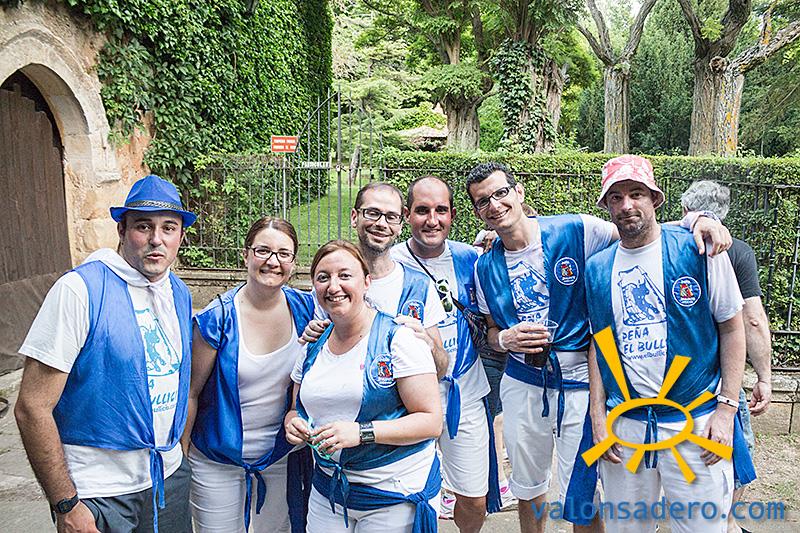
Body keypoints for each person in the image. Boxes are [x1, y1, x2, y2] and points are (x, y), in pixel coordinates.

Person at [467, 161, 729, 533]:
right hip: (524, 381)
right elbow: (491, 330)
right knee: (528, 486)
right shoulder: (484, 266)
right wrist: (504, 339)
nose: (494, 205)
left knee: (583, 491)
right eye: (483, 201)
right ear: (477, 211)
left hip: (578, 381)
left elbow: (638, 229)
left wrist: (696, 220)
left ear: (519, 192)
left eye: (501, 193)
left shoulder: (577, 229)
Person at [14, 175, 196, 533]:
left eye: (168, 228)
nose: (156, 239)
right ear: (121, 230)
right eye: (143, 226)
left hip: (168, 479)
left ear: (180, 236)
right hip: (99, 490)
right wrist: (66, 502)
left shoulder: (177, 291)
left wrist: (181, 458)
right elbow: (31, 406)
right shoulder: (79, 290)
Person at [584, 155, 755, 533]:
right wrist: (597, 416)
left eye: (636, 193)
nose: (626, 205)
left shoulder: (698, 250)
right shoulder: (597, 268)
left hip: (696, 423)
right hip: (625, 427)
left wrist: (726, 410)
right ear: (606, 205)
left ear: (655, 199)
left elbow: (732, 328)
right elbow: (599, 343)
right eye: (616, 197)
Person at [285, 240, 443, 532]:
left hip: (392, 492)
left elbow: (431, 422)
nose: (333, 286)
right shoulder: (312, 345)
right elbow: (296, 408)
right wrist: (293, 424)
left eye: (345, 275)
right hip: (329, 492)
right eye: (323, 277)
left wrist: (361, 432)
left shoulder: (398, 339)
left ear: (367, 282)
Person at [182, 217, 315, 533]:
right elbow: (191, 393)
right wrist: (181, 461)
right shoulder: (217, 319)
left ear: (293, 263)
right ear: (246, 255)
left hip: (281, 456)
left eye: (283, 253)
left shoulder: (307, 310)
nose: (273, 261)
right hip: (217, 460)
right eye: (263, 250)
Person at [390, 176, 500, 531]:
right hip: (405, 399)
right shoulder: (390, 262)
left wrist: (497, 239)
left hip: (463, 392)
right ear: (407, 214)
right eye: (422, 210)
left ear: (453, 214)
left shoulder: (471, 258)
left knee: (475, 497)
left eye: (441, 210)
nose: (432, 220)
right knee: (406, 495)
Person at [680, 180, 772, 533]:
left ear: (685, 208)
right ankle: (727, 522)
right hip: (720, 378)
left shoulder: (665, 243)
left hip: (666, 377)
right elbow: (752, 319)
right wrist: (763, 377)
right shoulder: (737, 251)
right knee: (733, 448)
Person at [303, 182, 449, 380]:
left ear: (400, 225)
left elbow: (441, 370)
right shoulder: (331, 288)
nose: (381, 223)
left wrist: (429, 345)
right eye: (372, 213)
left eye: (391, 217)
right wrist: (313, 338)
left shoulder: (419, 287)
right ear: (354, 217)